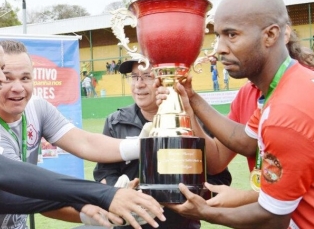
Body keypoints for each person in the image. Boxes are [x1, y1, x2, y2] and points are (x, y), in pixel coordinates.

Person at [0, 31, 165, 229]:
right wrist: (104, 195)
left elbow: (6, 197)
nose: (3, 80)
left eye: (24, 77)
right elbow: (0, 173)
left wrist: (88, 205)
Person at [162, 0, 314, 228]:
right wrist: (192, 99)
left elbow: (272, 219)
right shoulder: (287, 84)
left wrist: (205, 212)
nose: (219, 49)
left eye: (232, 35)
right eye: (218, 36)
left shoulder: (286, 112)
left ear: (271, 35)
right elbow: (246, 141)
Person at [94, 59, 232, 229]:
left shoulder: (193, 122)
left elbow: (219, 178)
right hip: (129, 224)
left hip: (180, 224)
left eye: (147, 76)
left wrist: (187, 196)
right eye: (134, 77)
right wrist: (121, 192)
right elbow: (103, 173)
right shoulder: (116, 122)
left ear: (165, 79)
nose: (139, 84)